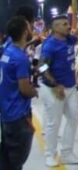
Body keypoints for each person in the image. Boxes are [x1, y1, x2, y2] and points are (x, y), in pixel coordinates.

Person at [39, 14, 78, 167]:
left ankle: (67, 153)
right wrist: (54, 85)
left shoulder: (68, 39)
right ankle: (50, 154)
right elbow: (41, 66)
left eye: (67, 23)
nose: (68, 26)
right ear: (55, 28)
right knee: (53, 123)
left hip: (70, 87)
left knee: (74, 117)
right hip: (53, 89)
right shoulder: (50, 45)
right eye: (63, 24)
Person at [0, 16, 38, 170]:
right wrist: (34, 91)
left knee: (6, 157)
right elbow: (24, 88)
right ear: (24, 32)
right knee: (16, 161)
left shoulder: (7, 51)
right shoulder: (20, 58)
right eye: (29, 28)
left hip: (6, 113)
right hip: (18, 115)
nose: (31, 30)